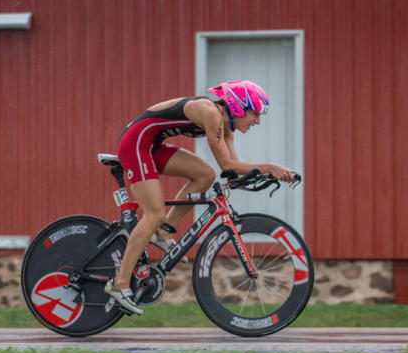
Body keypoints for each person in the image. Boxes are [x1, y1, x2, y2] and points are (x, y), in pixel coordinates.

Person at [105, 80, 297, 314]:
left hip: (152, 145)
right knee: (153, 214)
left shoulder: (227, 127)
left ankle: (164, 232)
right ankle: (120, 284)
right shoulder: (210, 112)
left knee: (205, 175)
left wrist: (268, 175)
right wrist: (270, 167)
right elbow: (227, 164)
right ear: (238, 105)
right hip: (135, 143)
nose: (257, 120)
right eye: (255, 113)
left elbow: (233, 169)